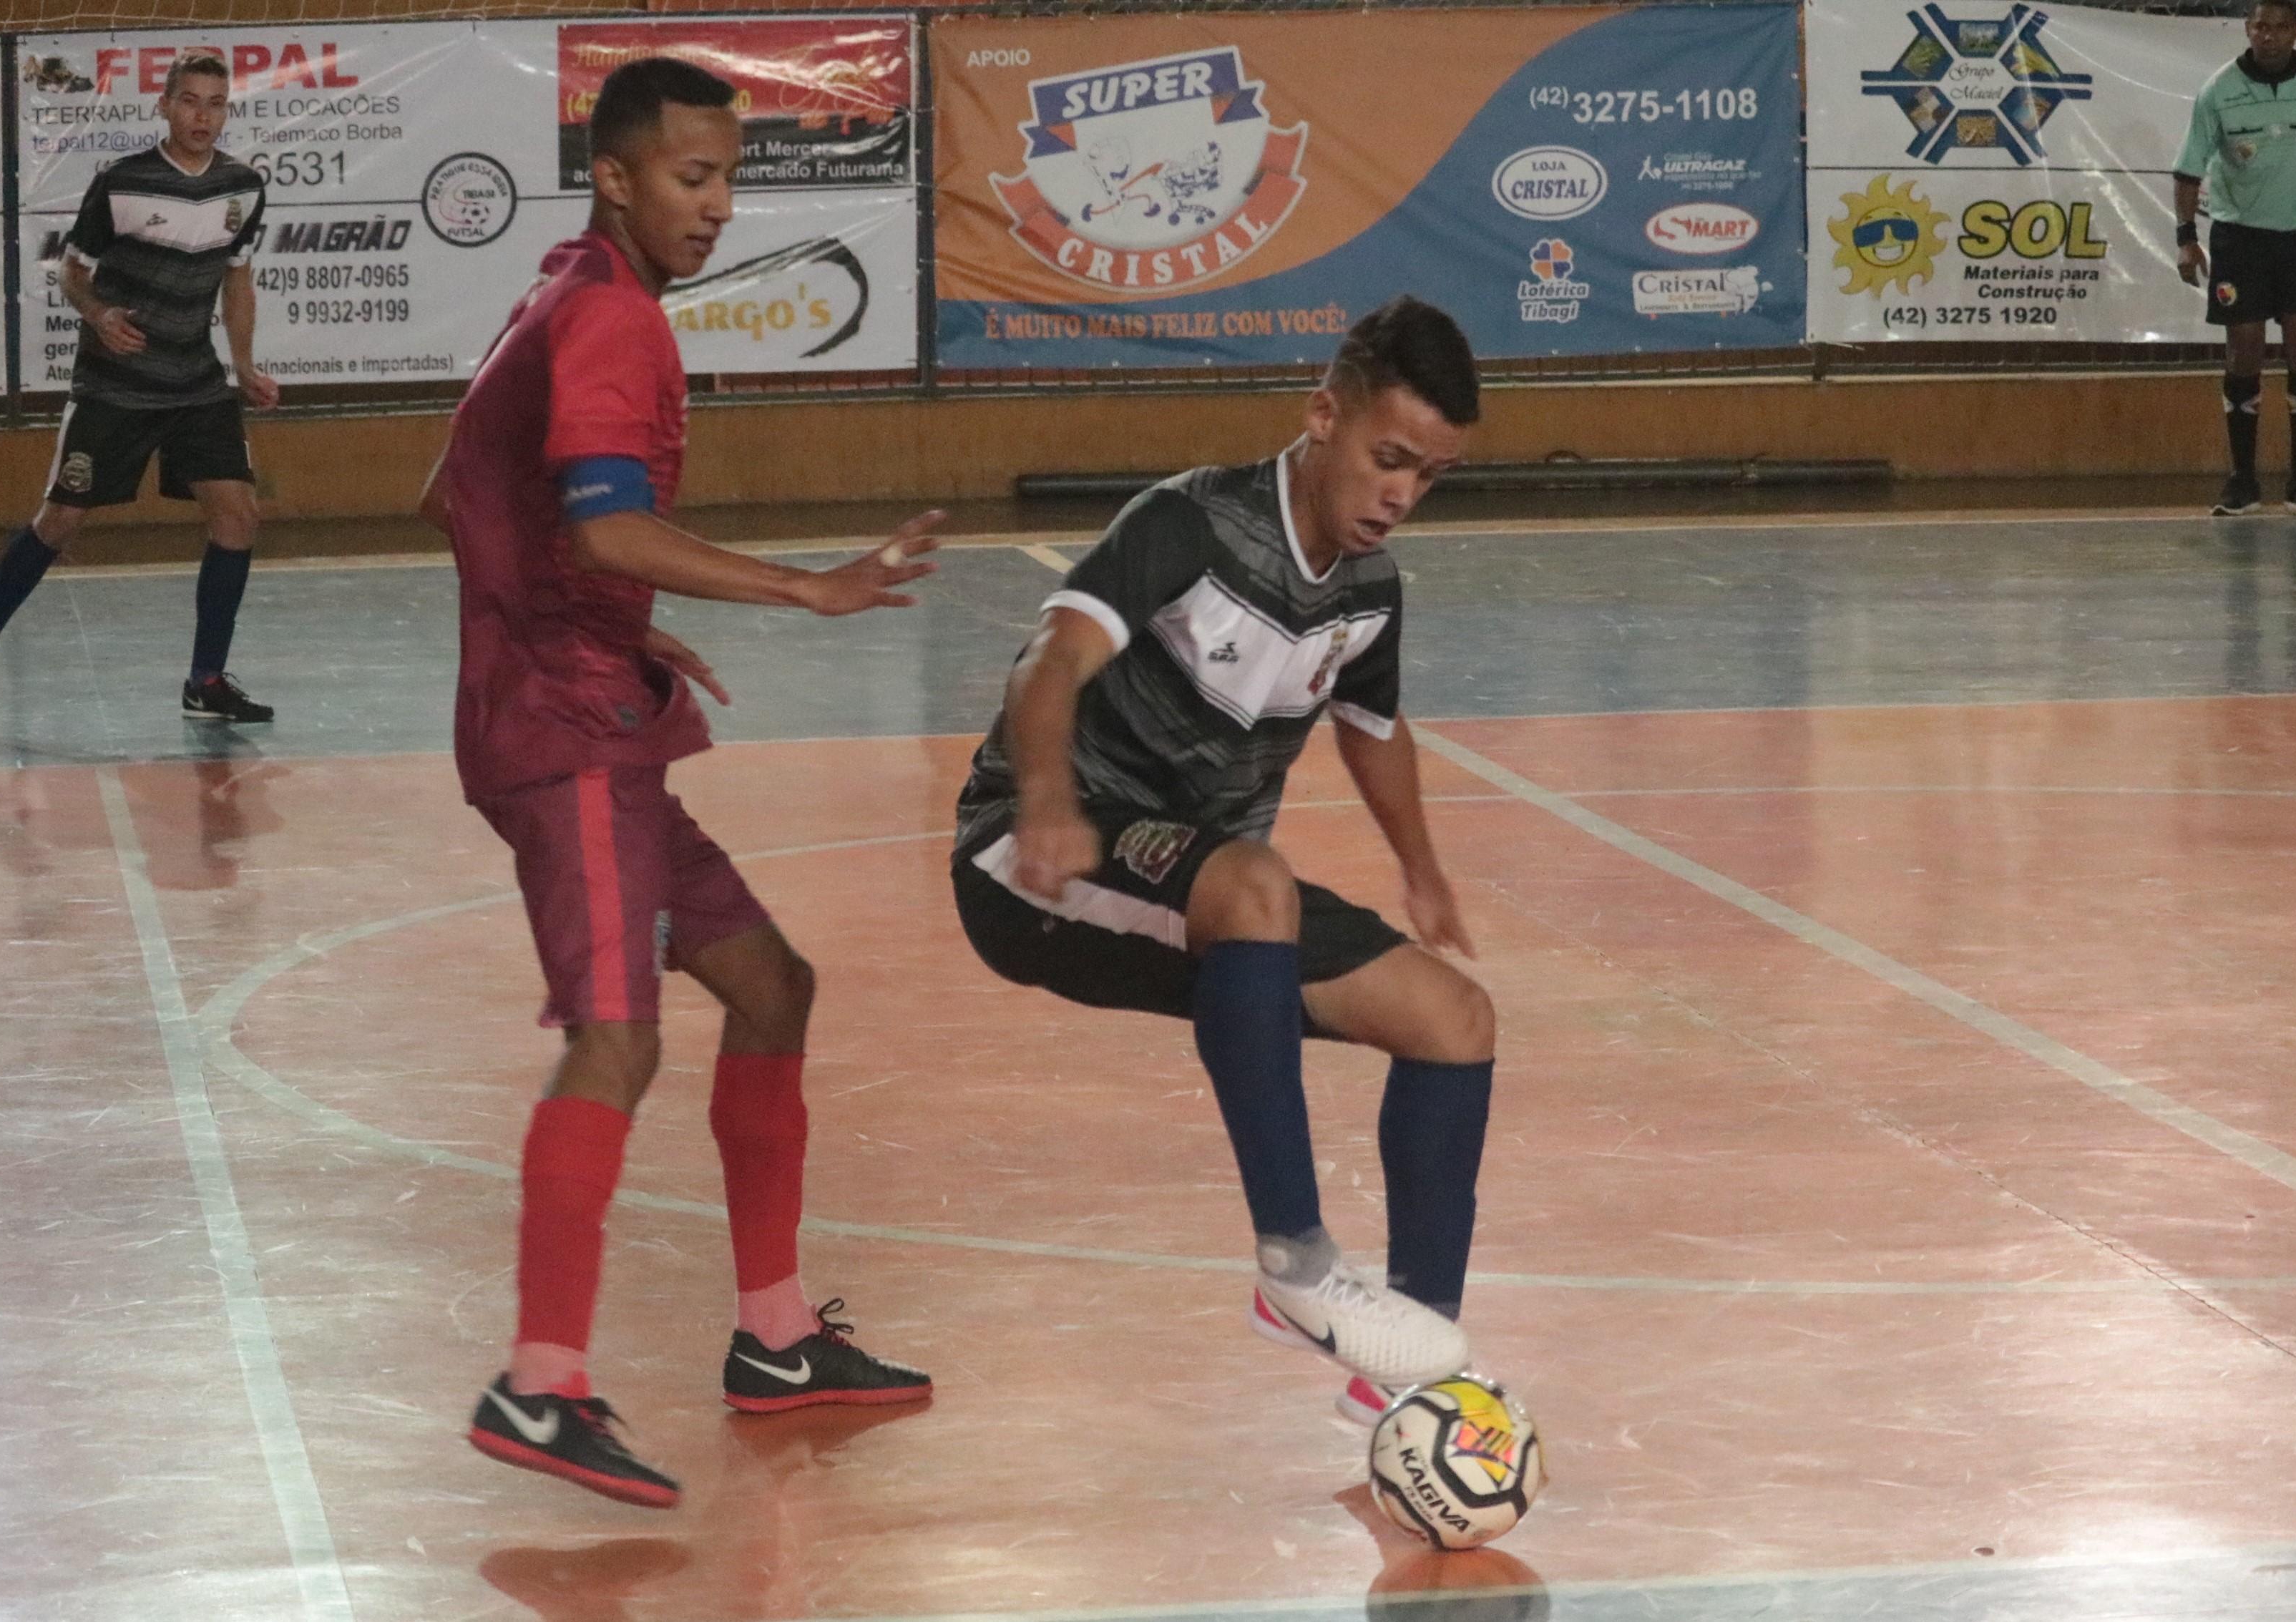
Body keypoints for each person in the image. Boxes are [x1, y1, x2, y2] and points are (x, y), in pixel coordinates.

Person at [418, 56, 941, 1509]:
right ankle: (542, 1378)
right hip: (564, 736)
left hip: (596, 709)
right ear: (620, 178)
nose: (717, 206)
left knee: (773, 985)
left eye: (729, 179)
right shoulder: (607, 315)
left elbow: (462, 487)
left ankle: (775, 1337)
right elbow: (600, 529)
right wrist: (805, 590)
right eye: (693, 179)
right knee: (615, 1037)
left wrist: (623, 630)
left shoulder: (565, 291)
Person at [951, 296, 1495, 1424]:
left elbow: (1371, 731)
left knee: (1454, 1018)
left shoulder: (1368, 591)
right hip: (1037, 850)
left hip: (1201, 883)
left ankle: (1405, 1374)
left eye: (1429, 476)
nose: (1400, 494)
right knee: (1256, 883)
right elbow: (1046, 665)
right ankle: (1292, 1266)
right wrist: (1048, 800)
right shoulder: (1192, 523)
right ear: (1320, 416)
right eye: (1388, 459)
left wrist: (1423, 869)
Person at [0, 51, 279, 720]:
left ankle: (206, 680)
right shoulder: (121, 183)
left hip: (196, 384)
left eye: (216, 103)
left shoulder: (244, 187)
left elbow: (237, 276)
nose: (204, 115)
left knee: (238, 515)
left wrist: (246, 364)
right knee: (59, 523)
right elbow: (73, 272)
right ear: (164, 107)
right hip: (115, 387)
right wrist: (100, 314)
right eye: (191, 101)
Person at [2174, 0, 2296, 519]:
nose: (2271, 37)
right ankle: (2242, 480)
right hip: (2241, 240)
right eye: (2261, 26)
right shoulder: (2218, 90)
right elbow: (2188, 170)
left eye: (2282, 27)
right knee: (2245, 351)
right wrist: (2186, 236)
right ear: (2247, 29)